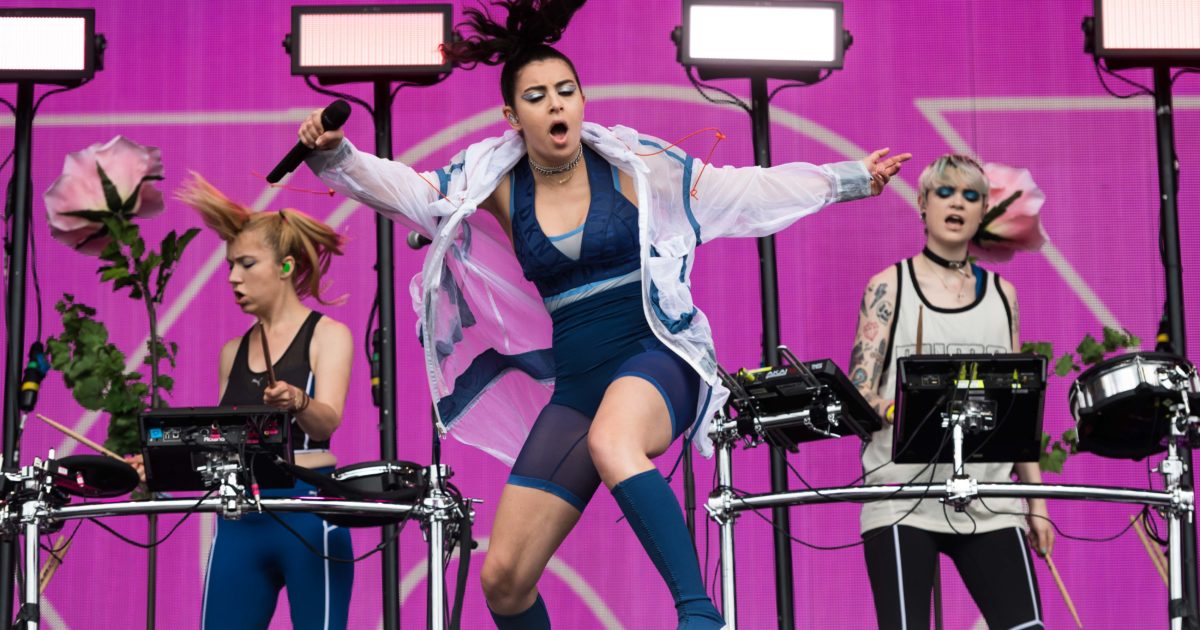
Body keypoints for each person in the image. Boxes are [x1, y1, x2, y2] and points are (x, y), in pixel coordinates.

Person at [299, 2, 908, 626]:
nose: (556, 104)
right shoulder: (490, 182)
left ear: (583, 100)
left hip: (655, 356)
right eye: (537, 96)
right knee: (504, 580)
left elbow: (744, 190)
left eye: (566, 90)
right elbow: (408, 191)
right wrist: (335, 155)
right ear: (513, 117)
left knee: (614, 441)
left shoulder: (635, 167)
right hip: (579, 385)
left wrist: (850, 178)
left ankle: (700, 616)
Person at [849, 154, 1052, 629]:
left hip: (989, 498)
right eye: (944, 192)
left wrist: (1037, 503)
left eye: (970, 195)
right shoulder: (889, 287)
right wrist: (900, 409)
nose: (956, 203)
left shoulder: (1003, 295)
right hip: (902, 496)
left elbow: (1016, 409)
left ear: (983, 211)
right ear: (922, 203)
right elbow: (858, 394)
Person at [178, 174, 354, 629]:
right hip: (240, 518)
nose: (233, 277)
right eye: (229, 266)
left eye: (247, 264)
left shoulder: (329, 335)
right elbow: (222, 443)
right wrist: (159, 459)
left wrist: (298, 401)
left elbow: (326, 423)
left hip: (310, 510)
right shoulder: (231, 352)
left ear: (286, 267)